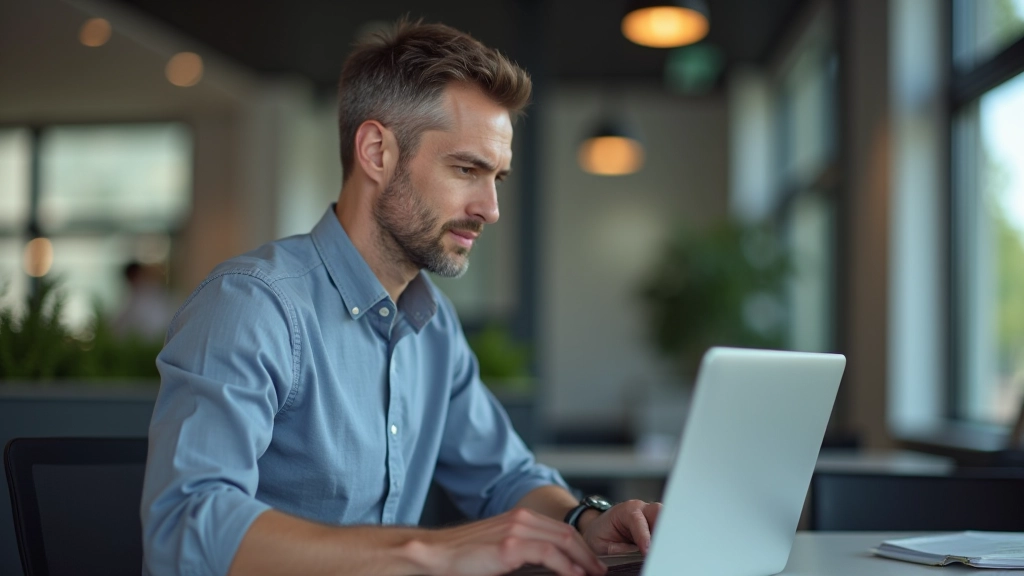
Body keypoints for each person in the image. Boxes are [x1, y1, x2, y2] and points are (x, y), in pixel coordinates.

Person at [141, 20, 660, 576]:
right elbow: (186, 527)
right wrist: (430, 551)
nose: (491, 209)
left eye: (497, 179)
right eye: (466, 169)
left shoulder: (433, 328)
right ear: (376, 152)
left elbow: (505, 477)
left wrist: (584, 518)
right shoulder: (251, 306)